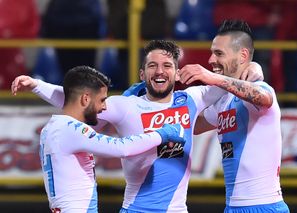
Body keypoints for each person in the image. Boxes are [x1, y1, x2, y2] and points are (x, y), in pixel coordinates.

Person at [12, 40, 263, 213]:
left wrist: (254, 67)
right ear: (142, 74)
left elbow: (233, 81)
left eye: (167, 66)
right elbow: (78, 100)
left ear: (177, 73)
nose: (159, 71)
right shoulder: (127, 106)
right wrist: (36, 85)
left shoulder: (193, 98)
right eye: (152, 66)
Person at [12, 65, 186, 213]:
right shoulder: (71, 130)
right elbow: (121, 148)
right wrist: (160, 134)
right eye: (102, 100)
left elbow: (72, 99)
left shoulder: (55, 127)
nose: (105, 107)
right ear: (86, 98)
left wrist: (37, 86)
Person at [179, 20, 290, 212]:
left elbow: (264, 97)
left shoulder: (261, 89)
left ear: (243, 55)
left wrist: (213, 78)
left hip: (264, 205)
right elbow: (195, 126)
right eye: (212, 52)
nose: (211, 60)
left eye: (219, 53)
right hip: (233, 206)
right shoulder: (224, 100)